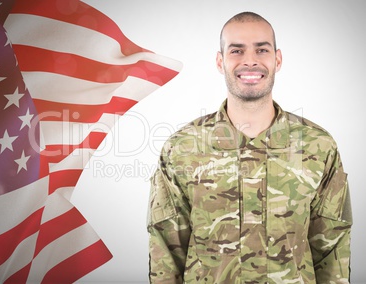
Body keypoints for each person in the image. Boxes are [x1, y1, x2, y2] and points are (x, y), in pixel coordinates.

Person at [147, 11, 352, 284]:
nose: (250, 60)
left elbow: (332, 250)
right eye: (237, 50)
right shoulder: (182, 148)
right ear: (220, 62)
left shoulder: (318, 146)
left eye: (261, 49)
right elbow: (165, 250)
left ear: (277, 59)